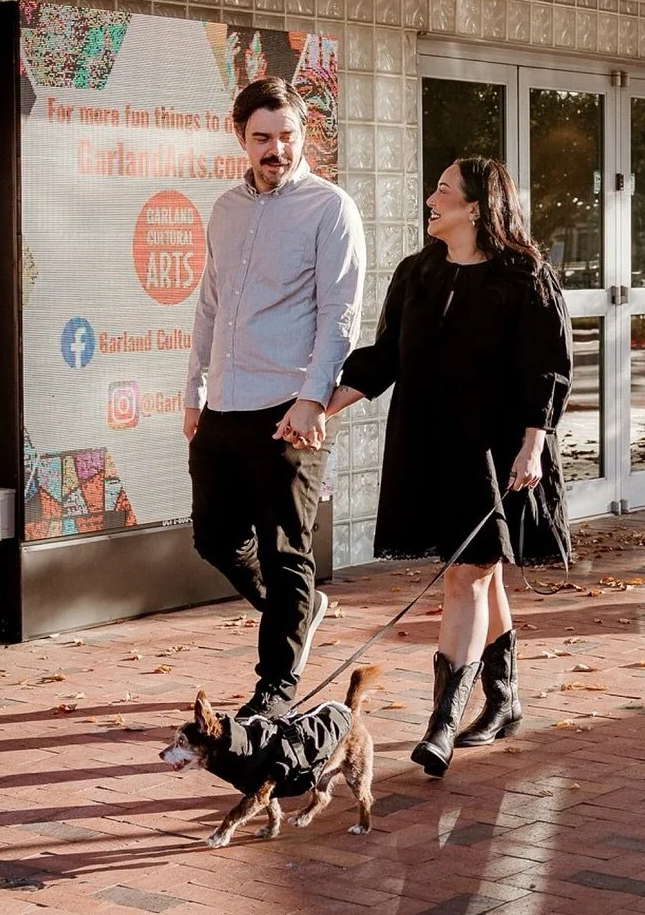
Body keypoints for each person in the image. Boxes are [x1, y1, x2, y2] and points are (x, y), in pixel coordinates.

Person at [323, 156, 572, 776]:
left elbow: (549, 368)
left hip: (497, 453)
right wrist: (320, 407)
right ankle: (506, 697)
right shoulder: (417, 274)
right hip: (429, 447)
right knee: (478, 574)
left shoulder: (526, 278)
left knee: (467, 577)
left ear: (477, 208)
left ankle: (441, 723)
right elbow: (384, 358)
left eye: (443, 189)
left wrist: (533, 445)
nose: (430, 197)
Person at [184, 76, 367, 722]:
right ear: (241, 137)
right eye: (262, 138)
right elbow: (211, 302)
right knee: (214, 538)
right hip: (225, 404)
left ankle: (275, 690)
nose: (276, 150)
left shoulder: (329, 208)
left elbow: (339, 314)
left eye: (286, 136)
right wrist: (194, 390)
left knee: (287, 549)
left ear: (302, 135)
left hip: (289, 407)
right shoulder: (227, 208)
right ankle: (296, 610)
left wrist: (314, 400)